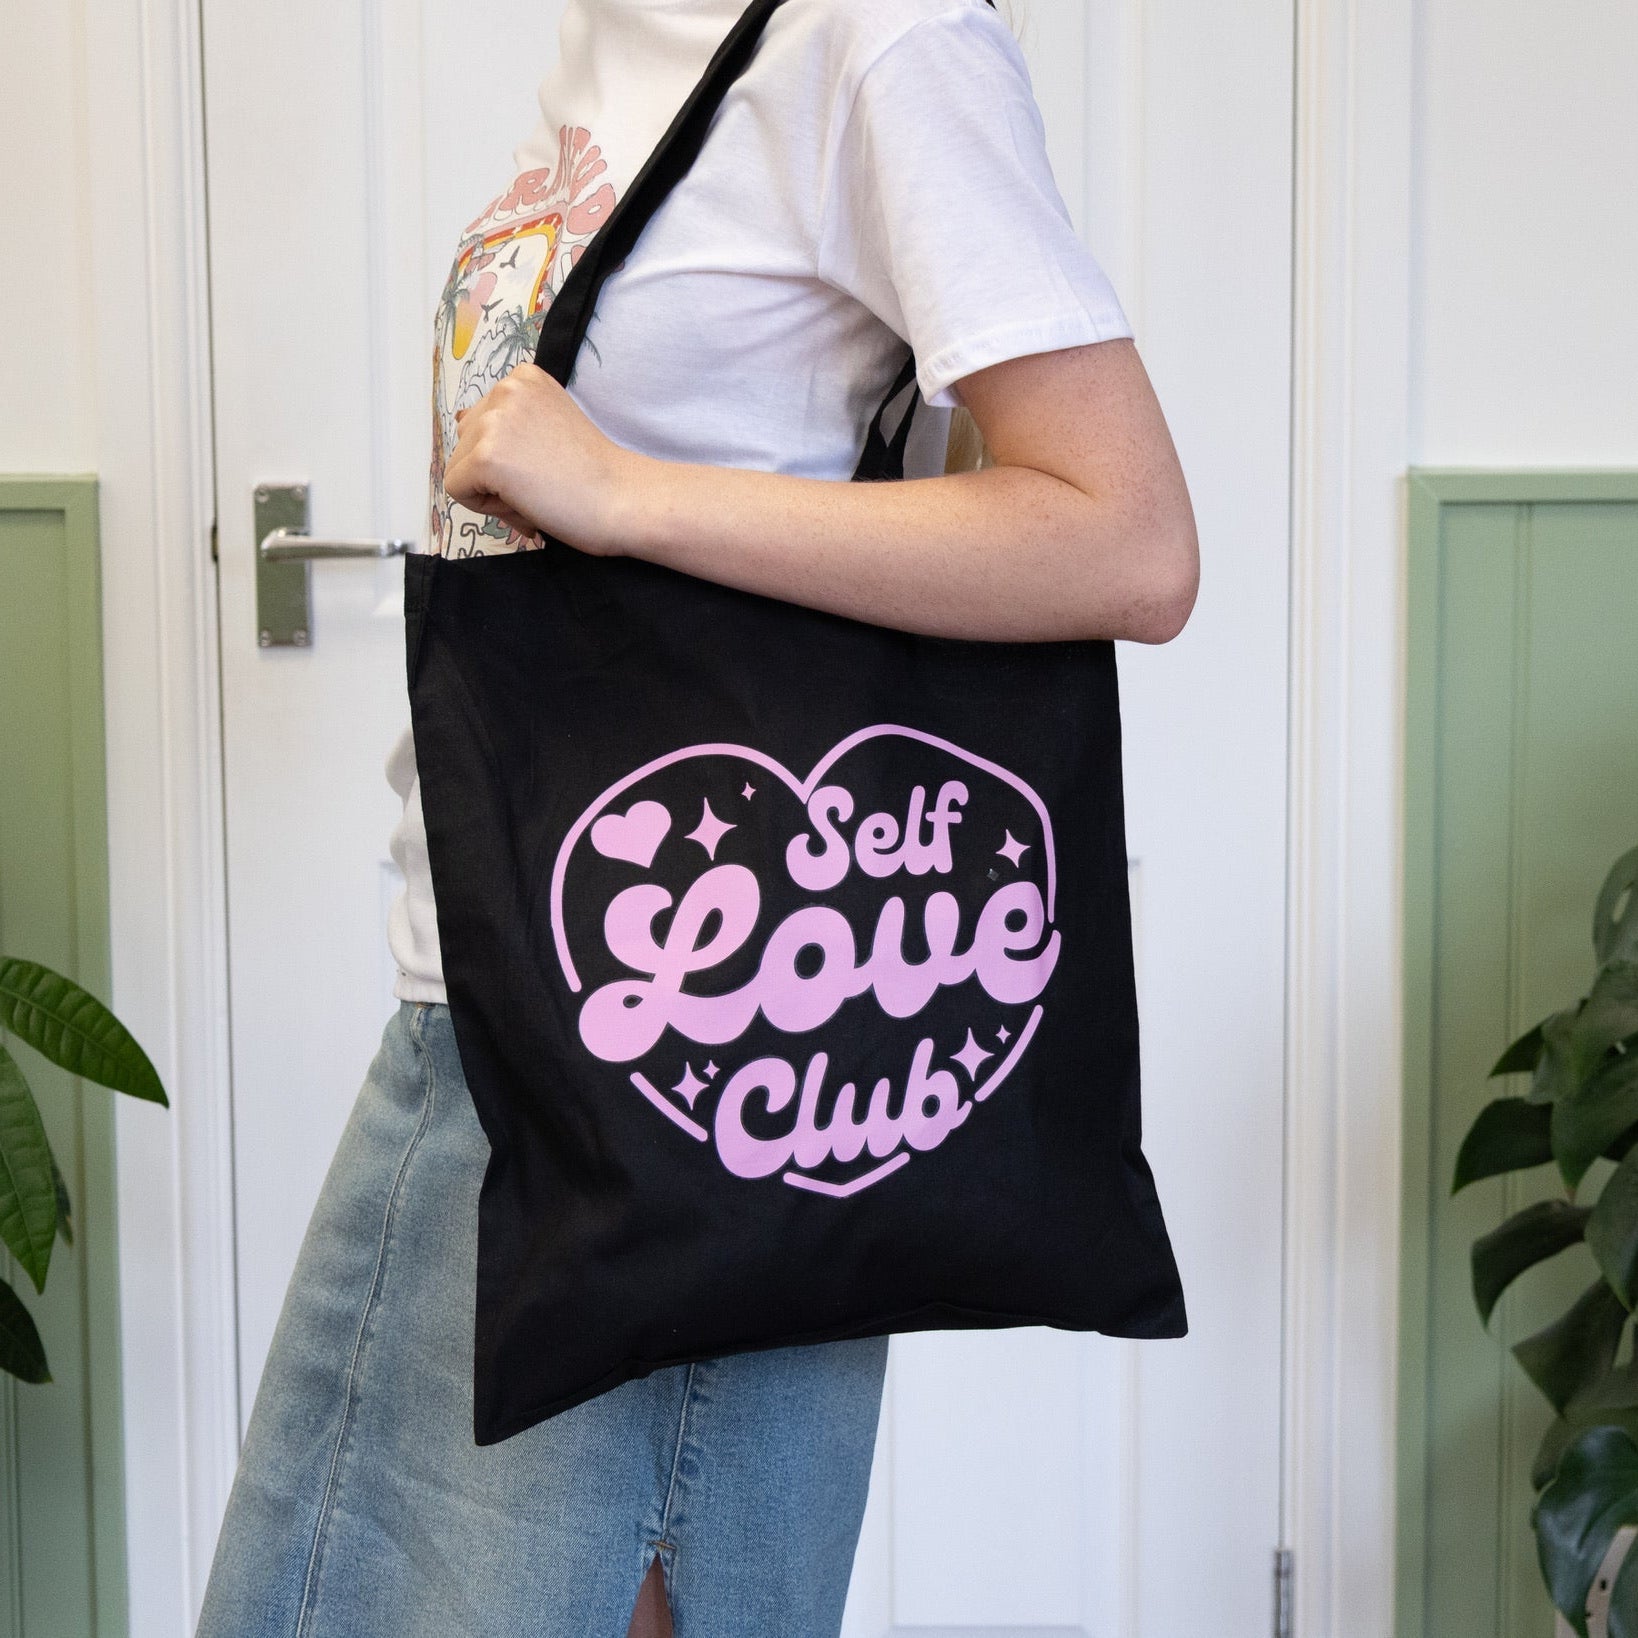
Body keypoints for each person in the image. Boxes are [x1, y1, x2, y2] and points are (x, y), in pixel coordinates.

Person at [194, 0, 1198, 1633]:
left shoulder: (882, 34)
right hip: (496, 990)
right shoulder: (620, 29)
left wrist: (631, 497)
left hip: (689, 1045)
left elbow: (1127, 538)